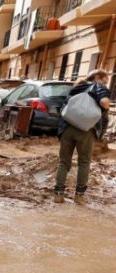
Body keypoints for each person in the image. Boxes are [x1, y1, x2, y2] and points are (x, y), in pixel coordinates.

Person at [54, 69, 111, 205]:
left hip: (67, 128)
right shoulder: (98, 87)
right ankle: (79, 196)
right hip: (86, 130)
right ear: (98, 77)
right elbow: (105, 102)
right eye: (105, 80)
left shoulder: (78, 87)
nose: (106, 83)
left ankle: (58, 195)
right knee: (84, 162)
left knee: (63, 162)